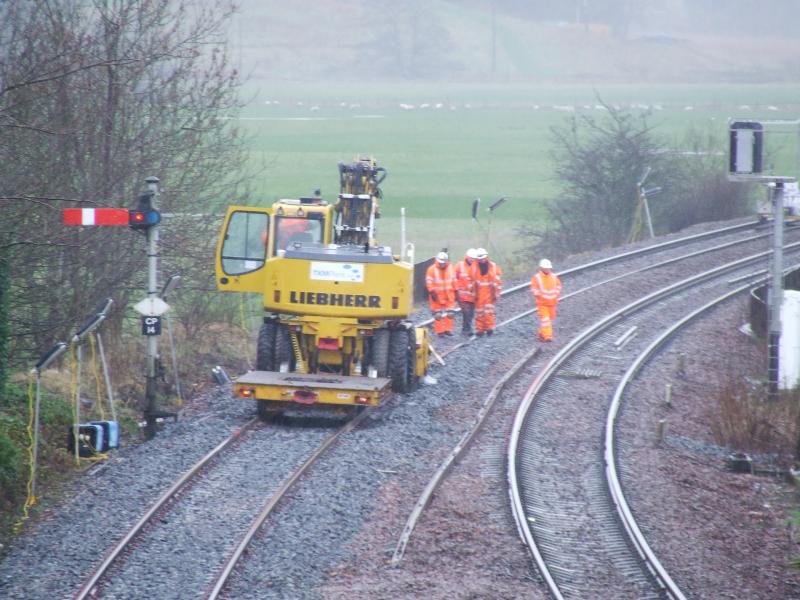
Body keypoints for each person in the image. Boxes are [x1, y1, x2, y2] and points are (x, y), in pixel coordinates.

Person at [470, 248, 502, 336]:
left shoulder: (493, 267)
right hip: (479, 294)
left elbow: (498, 281)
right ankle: (480, 330)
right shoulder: (474, 268)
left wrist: (497, 293)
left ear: (486, 257)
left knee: (489, 312)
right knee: (479, 313)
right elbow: (471, 281)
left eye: (483, 258)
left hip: (490, 293)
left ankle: (489, 328)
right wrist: (473, 293)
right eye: (480, 259)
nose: (482, 260)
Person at [530, 258, 562, 342]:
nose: (547, 269)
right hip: (542, 303)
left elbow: (558, 286)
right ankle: (548, 336)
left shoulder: (554, 277)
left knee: (549, 319)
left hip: (552, 303)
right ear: (541, 268)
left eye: (548, 268)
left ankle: (541, 334)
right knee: (546, 320)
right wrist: (540, 295)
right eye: (546, 268)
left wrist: (556, 294)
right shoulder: (537, 277)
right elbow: (534, 289)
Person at [425, 251, 456, 336]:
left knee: (450, 313)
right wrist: (431, 291)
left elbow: (454, 280)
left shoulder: (450, 268)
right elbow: (429, 281)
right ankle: (440, 332)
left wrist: (456, 290)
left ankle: (448, 330)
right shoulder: (431, 269)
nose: (442, 264)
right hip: (436, 296)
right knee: (437, 315)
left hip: (449, 295)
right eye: (440, 263)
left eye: (444, 263)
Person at [454, 248, 478, 336]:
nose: (472, 259)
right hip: (462, 296)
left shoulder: (476, 267)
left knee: (471, 313)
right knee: (466, 312)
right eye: (470, 258)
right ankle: (469, 329)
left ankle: (465, 329)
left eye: (473, 258)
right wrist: (456, 291)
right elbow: (454, 278)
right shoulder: (459, 265)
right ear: (467, 257)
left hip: (472, 295)